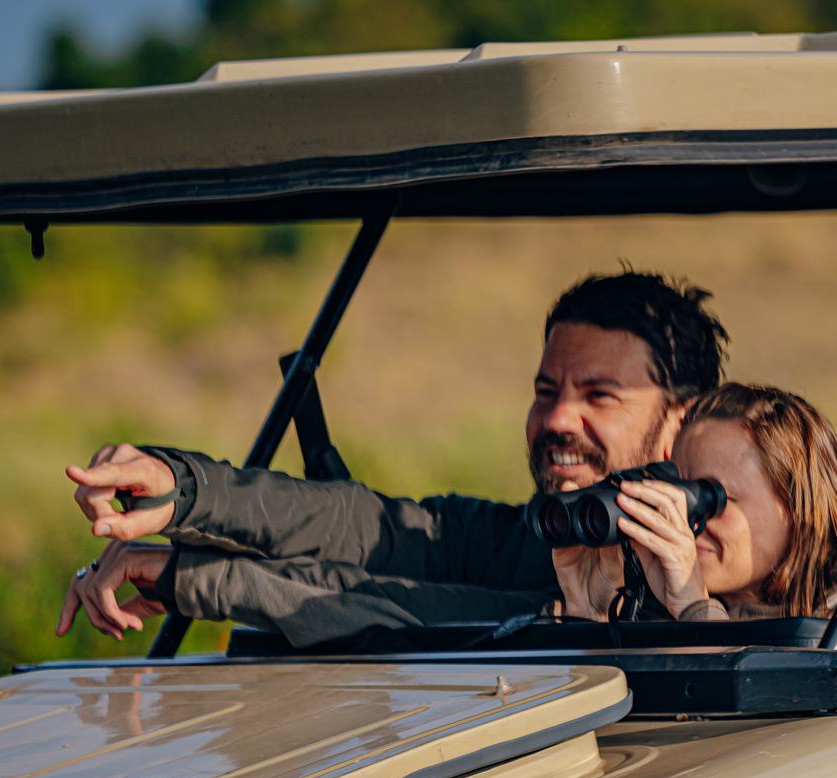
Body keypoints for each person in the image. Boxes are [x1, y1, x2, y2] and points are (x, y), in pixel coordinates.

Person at [57, 271, 730, 644]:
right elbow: (361, 529)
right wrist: (182, 489)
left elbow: (415, 613)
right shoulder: (526, 541)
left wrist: (192, 575)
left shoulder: (728, 578)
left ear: (680, 422)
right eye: (546, 392)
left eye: (599, 396)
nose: (556, 420)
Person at [551, 383, 837, 622]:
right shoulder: (653, 616)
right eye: (676, 491)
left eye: (709, 497)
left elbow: (769, 710)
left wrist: (696, 611)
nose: (685, 518)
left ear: (798, 509)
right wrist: (589, 616)